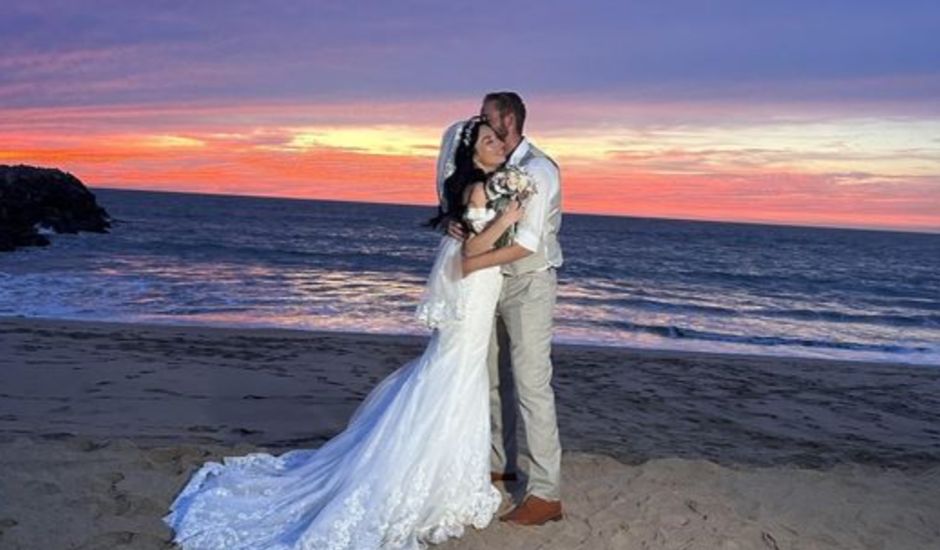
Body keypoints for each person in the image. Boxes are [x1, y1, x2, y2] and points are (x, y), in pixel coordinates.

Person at [163, 117, 525, 549]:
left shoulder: (487, 186)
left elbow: (468, 242)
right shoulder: (480, 190)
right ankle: (419, 477)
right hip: (472, 291)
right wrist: (510, 220)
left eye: (497, 140)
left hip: (478, 293)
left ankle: (444, 474)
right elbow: (469, 255)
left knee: (456, 376)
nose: (498, 146)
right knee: (453, 376)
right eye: (488, 141)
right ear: (472, 153)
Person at [447, 92, 564, 526]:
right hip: (491, 284)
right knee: (492, 378)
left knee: (533, 384)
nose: (481, 122)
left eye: (487, 117)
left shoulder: (538, 170)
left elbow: (528, 243)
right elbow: (472, 203)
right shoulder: (497, 167)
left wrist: (471, 261)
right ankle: (500, 463)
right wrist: (458, 223)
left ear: (508, 119)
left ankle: (546, 494)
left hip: (530, 284)